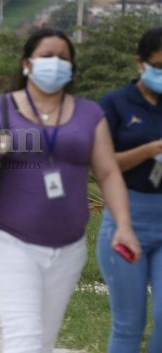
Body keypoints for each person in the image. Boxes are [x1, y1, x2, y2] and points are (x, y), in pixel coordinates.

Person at [0, 28, 141, 352]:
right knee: (26, 339)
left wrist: (123, 226)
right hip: (8, 243)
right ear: (27, 64)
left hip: (69, 249)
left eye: (63, 58)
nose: (56, 63)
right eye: (47, 56)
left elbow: (107, 173)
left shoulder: (90, 114)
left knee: (44, 341)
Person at [96, 27, 162, 352]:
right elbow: (104, 166)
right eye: (159, 66)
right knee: (129, 324)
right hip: (126, 224)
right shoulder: (116, 103)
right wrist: (150, 150)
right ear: (141, 63)